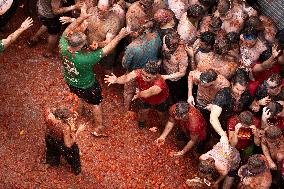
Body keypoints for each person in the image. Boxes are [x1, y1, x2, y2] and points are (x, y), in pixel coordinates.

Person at [59, 6, 129, 136]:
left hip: (70, 80)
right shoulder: (86, 58)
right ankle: (99, 127)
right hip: (87, 85)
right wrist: (119, 36)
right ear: (79, 46)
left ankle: (78, 113)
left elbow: (69, 29)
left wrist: (82, 17)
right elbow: (107, 49)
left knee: (78, 96)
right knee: (96, 103)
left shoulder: (63, 44)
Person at [104, 60, 170, 128]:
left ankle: (163, 125)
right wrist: (116, 80)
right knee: (143, 112)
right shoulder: (138, 72)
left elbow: (146, 93)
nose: (144, 78)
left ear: (155, 76)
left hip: (160, 100)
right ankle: (141, 123)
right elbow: (127, 77)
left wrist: (138, 95)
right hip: (145, 98)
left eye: (148, 77)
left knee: (162, 114)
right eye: (143, 75)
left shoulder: (159, 85)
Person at [121, 28, 162, 110]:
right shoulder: (156, 38)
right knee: (145, 92)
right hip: (150, 74)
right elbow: (159, 54)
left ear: (136, 33)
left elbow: (124, 65)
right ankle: (141, 110)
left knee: (128, 92)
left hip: (134, 74)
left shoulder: (132, 47)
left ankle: (126, 110)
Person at [209, 69, 253, 145]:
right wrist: (222, 134)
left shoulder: (246, 94)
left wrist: (256, 105)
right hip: (222, 125)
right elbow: (213, 117)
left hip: (237, 124)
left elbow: (249, 104)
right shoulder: (223, 94)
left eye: (242, 90)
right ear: (232, 84)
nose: (239, 93)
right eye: (237, 89)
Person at [44, 107, 85, 175]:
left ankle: (52, 161)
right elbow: (68, 144)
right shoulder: (65, 127)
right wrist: (78, 132)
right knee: (74, 150)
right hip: (60, 143)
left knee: (52, 151)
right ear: (62, 119)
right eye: (68, 119)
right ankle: (76, 169)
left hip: (50, 138)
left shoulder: (49, 117)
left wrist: (72, 117)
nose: (70, 119)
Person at [161, 31, 188, 102]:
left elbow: (182, 73)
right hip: (165, 71)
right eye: (167, 45)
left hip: (175, 79)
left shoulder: (182, 54)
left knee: (176, 95)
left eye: (171, 47)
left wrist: (167, 77)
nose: (167, 48)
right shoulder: (166, 37)